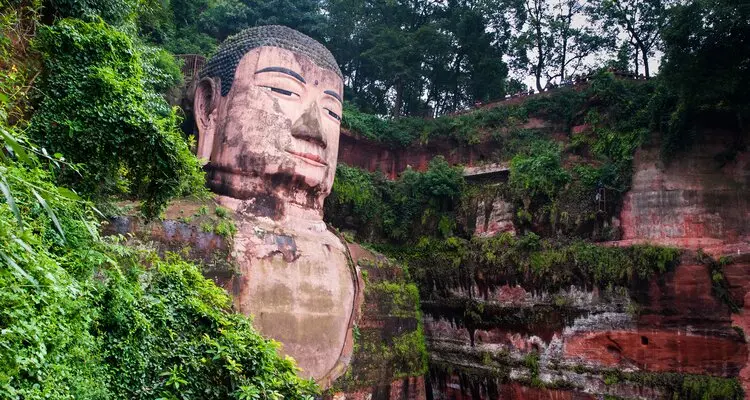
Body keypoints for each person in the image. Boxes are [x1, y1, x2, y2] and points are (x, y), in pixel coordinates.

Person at [192, 25, 357, 387]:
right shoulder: (162, 242)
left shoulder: (366, 270)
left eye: (332, 112)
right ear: (209, 108)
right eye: (282, 90)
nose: (313, 128)